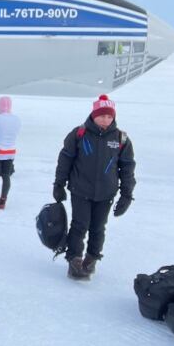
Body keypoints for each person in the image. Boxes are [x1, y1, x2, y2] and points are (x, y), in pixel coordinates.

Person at [53, 94, 136, 280]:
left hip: (106, 193)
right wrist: (59, 183)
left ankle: (91, 259)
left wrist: (126, 195)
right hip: (80, 190)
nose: (105, 120)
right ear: (93, 115)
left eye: (109, 116)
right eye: (102, 115)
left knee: (98, 227)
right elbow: (65, 159)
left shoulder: (121, 139)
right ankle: (74, 260)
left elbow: (127, 167)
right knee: (79, 225)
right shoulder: (79, 134)